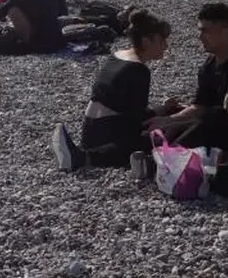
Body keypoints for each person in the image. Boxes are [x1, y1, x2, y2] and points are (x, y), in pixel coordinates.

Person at [144, 3, 228, 157]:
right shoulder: (209, 65)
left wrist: (178, 123)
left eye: (206, 31)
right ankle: (148, 145)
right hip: (211, 127)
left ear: (226, 31)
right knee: (173, 113)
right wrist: (168, 119)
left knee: (215, 117)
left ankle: (169, 155)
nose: (200, 37)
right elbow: (199, 106)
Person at [51, 9, 172, 170]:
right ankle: (83, 159)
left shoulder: (118, 56)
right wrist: (163, 116)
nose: (166, 46)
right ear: (146, 41)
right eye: (161, 41)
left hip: (90, 130)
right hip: (108, 135)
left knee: (165, 117)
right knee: (156, 136)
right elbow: (135, 119)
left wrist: (163, 110)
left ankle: (85, 153)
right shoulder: (139, 70)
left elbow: (124, 106)